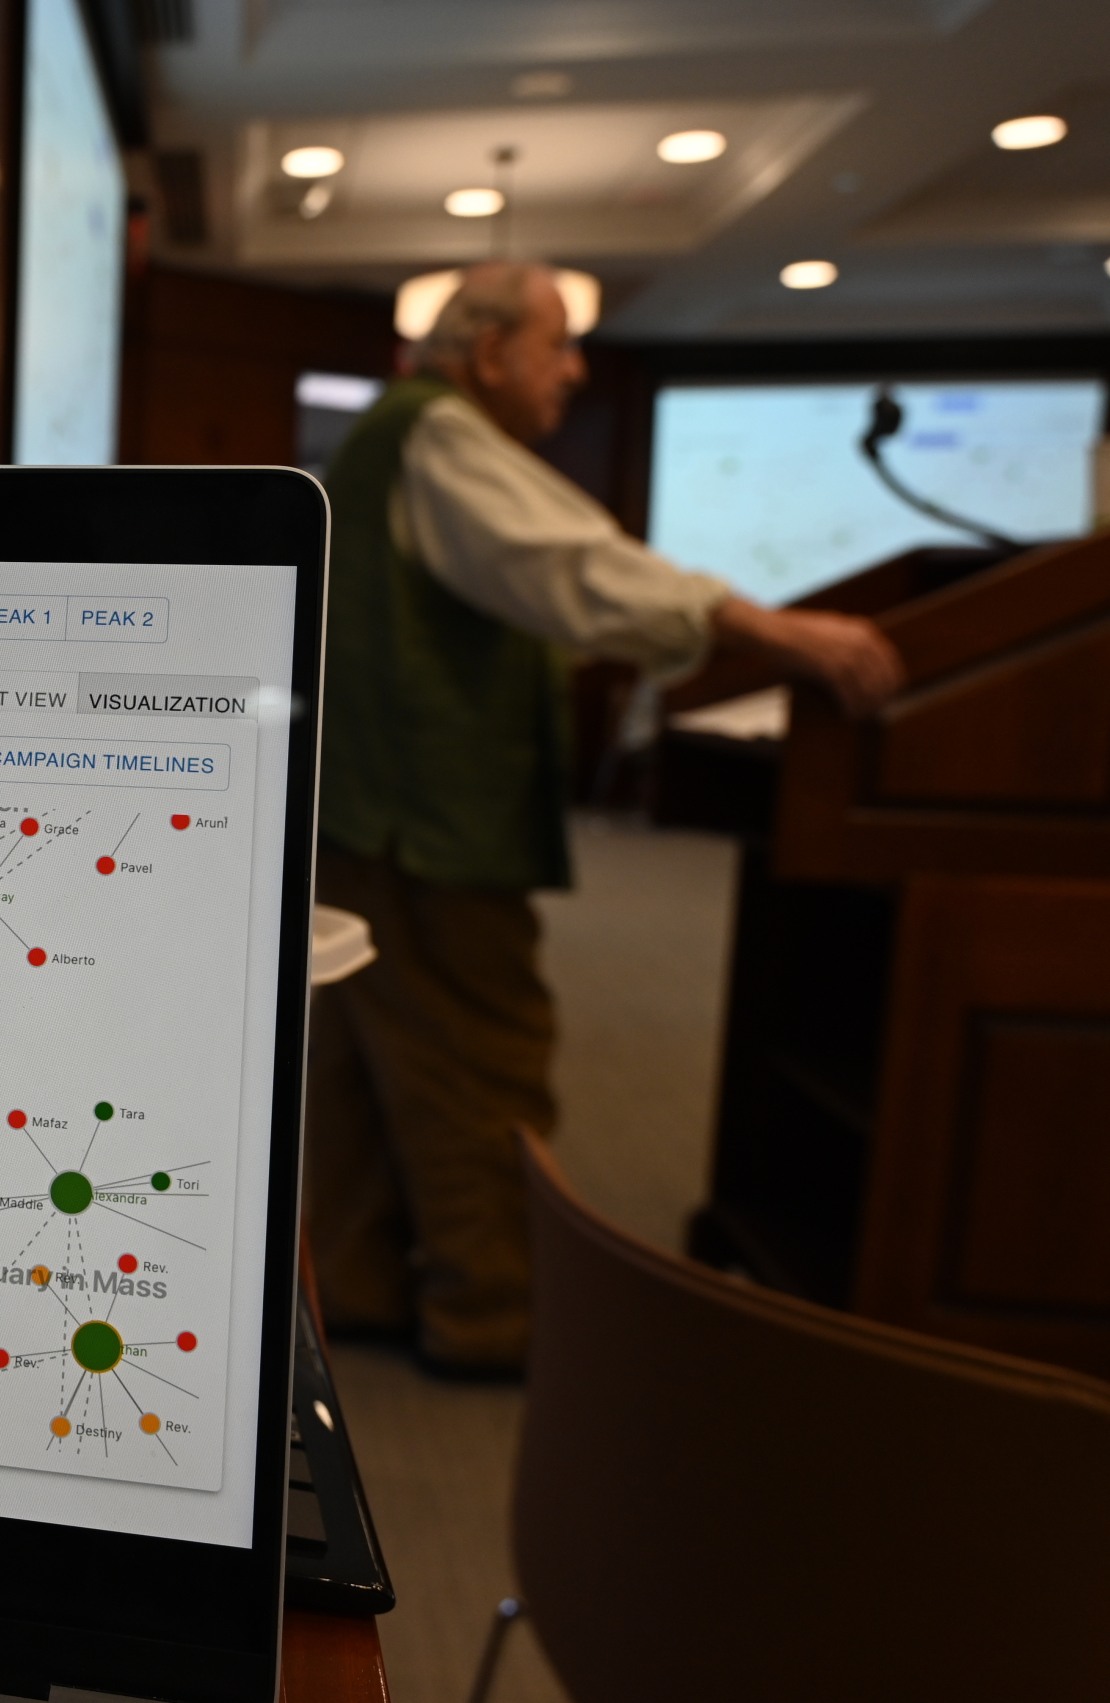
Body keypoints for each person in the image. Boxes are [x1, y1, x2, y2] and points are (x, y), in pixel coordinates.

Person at [307, 261, 903, 1374]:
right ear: (486, 352)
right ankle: (487, 1314)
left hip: (370, 811)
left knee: (361, 1058)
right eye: (554, 344)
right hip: (420, 817)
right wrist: (767, 629)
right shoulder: (441, 433)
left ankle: (363, 1284)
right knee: (480, 1058)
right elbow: (569, 567)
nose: (574, 371)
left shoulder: (402, 431)